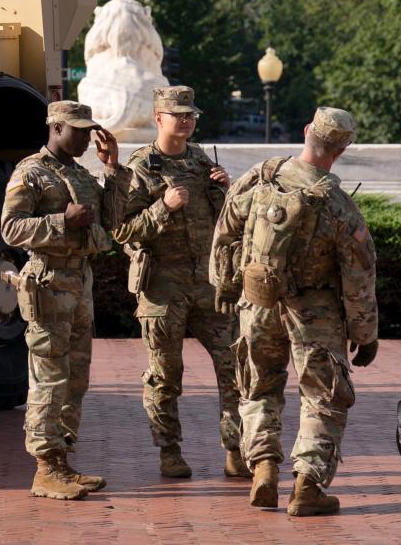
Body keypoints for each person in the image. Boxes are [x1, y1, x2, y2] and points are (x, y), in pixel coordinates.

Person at [209, 107, 377, 517]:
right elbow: (359, 276)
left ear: (306, 132)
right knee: (323, 398)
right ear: (342, 149)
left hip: (257, 304)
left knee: (257, 388)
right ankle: (308, 484)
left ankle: (264, 468)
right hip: (315, 314)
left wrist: (226, 286)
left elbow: (225, 230)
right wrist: (365, 333)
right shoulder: (339, 206)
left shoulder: (262, 175)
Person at [108, 86, 242, 479]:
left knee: (233, 367)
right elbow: (121, 231)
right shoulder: (140, 168)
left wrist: (225, 191)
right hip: (162, 285)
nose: (185, 120)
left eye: (190, 115)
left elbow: (224, 225)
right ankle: (169, 451)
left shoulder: (201, 162)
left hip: (207, 282)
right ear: (158, 118)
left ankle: (235, 450)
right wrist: (162, 208)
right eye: (177, 114)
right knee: (165, 374)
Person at [0, 100, 122, 501]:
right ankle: (45, 467)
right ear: (55, 127)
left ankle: (63, 461)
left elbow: (112, 220)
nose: (87, 137)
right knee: (50, 378)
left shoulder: (79, 173)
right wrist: (60, 222)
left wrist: (111, 168)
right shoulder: (30, 172)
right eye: (79, 130)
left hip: (79, 281)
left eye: (90, 130)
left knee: (76, 377)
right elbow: (11, 229)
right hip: (49, 281)